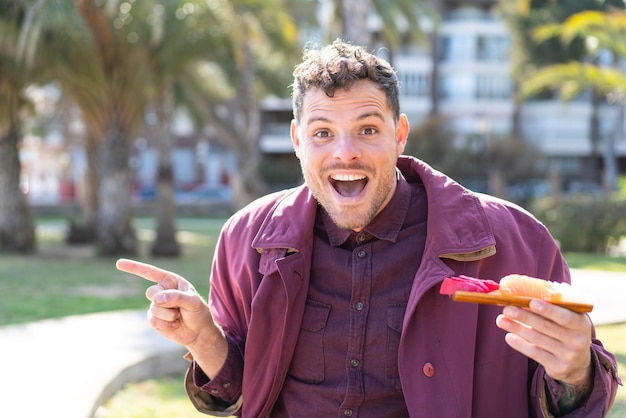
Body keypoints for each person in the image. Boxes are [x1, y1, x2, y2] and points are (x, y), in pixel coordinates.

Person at [116, 39, 620, 417]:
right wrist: (205, 339)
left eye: (368, 129)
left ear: (399, 135)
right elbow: (239, 395)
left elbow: (586, 397)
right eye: (322, 133)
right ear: (297, 141)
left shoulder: (516, 241)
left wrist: (574, 370)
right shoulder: (246, 240)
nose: (345, 152)